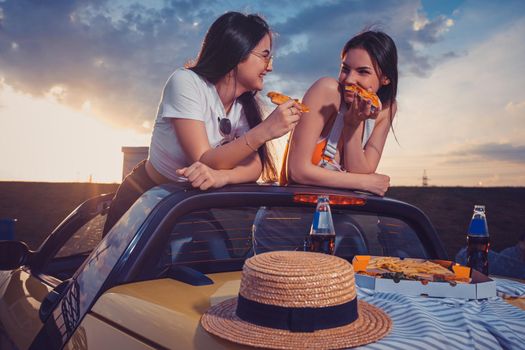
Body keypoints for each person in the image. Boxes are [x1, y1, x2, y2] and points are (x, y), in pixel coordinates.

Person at [102, 12, 303, 235]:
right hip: (146, 198)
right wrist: (265, 131)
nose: (270, 67)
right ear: (237, 52)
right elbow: (202, 159)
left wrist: (223, 176)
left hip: (190, 203)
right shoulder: (186, 82)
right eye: (265, 56)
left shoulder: (243, 104)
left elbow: (254, 166)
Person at [283, 30, 398, 196]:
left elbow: (360, 171)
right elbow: (297, 171)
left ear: (385, 78)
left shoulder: (386, 110)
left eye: (363, 72)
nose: (349, 79)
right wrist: (365, 182)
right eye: (345, 69)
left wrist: (352, 126)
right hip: (292, 214)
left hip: (340, 216)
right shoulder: (327, 91)